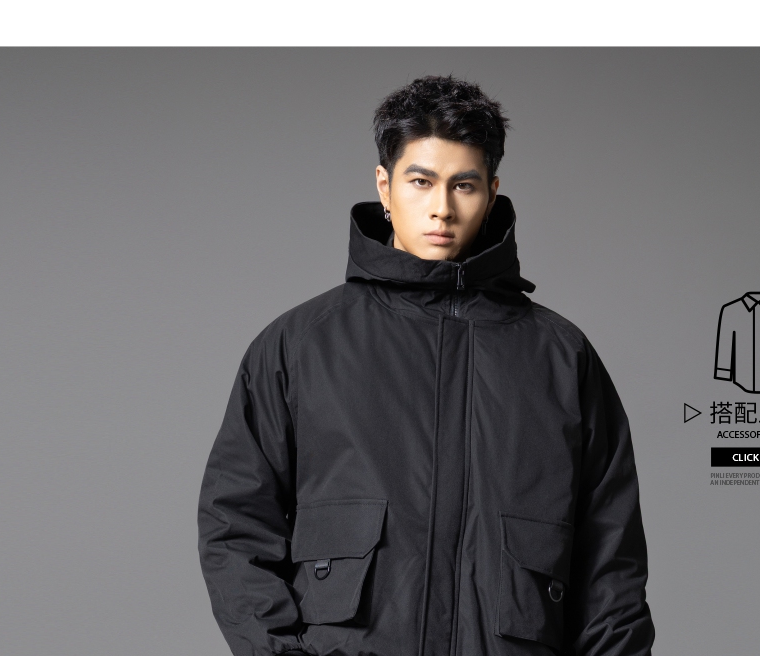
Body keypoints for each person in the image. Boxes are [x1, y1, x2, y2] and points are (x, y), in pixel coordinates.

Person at [198, 74, 654, 656]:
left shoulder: (561, 357)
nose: (442, 208)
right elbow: (235, 526)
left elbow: (612, 565)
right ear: (385, 187)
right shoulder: (301, 345)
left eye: (464, 185)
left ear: (491, 192)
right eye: (421, 182)